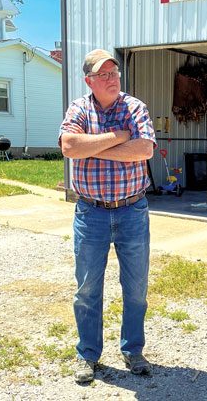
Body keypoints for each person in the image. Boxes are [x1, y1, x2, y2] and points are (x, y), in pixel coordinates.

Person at [59, 48, 156, 383]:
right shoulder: (79, 109)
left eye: (114, 73)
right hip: (91, 213)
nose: (112, 79)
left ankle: (133, 350)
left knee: (136, 287)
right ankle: (88, 354)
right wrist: (118, 137)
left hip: (132, 210)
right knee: (87, 288)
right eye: (103, 74)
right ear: (89, 81)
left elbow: (144, 149)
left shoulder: (134, 107)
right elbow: (70, 147)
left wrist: (94, 147)